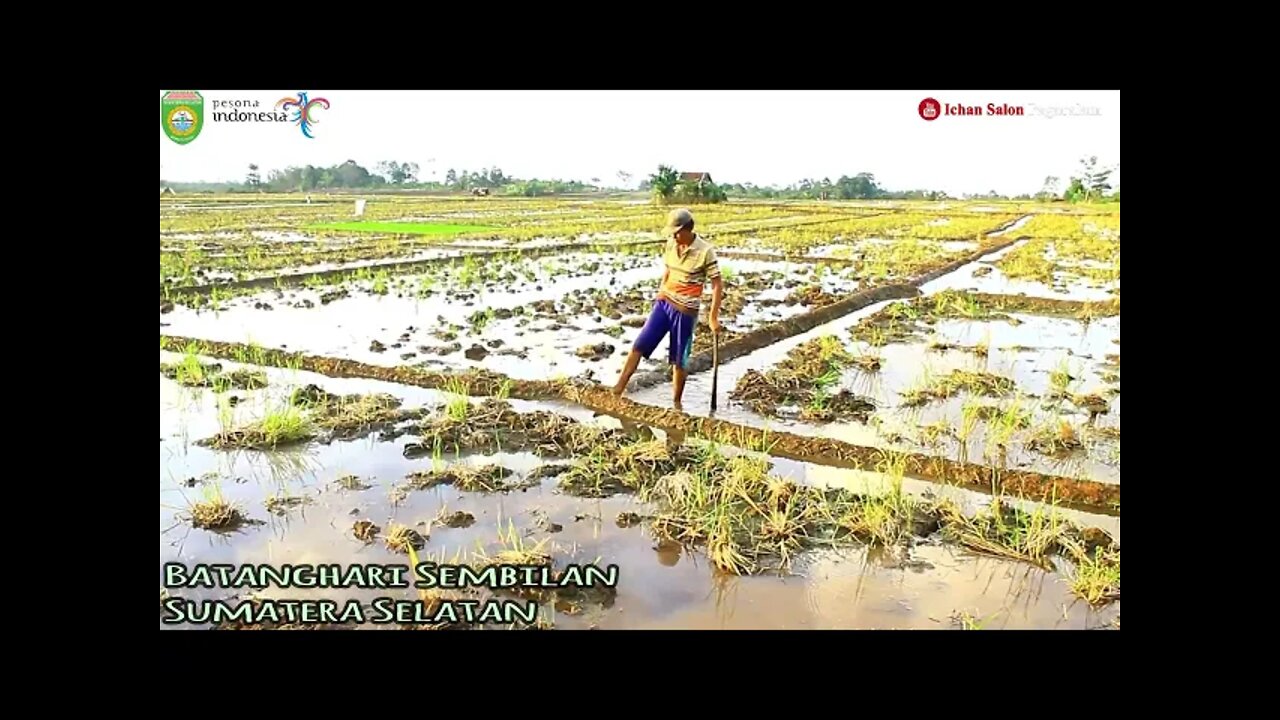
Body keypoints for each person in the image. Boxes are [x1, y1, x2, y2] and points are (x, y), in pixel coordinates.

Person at [612, 207, 723, 409]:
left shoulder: (705, 251)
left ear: (687, 230)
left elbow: (717, 284)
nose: (673, 235)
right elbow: (668, 270)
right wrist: (661, 292)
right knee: (639, 345)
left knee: (679, 360)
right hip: (664, 304)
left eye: (676, 232)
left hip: (686, 311)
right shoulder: (672, 244)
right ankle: (618, 388)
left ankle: (676, 403)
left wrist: (713, 317)